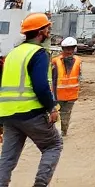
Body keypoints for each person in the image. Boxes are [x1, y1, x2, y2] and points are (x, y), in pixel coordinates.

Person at [0, 13, 63, 187]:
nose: (49, 30)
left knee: (7, 159)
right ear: (41, 31)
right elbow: (41, 85)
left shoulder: (13, 54)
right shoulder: (38, 53)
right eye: (47, 28)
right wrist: (51, 108)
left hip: (7, 114)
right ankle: (40, 184)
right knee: (53, 145)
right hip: (30, 112)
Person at [53, 38, 81, 137]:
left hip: (71, 94)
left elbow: (79, 77)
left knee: (66, 114)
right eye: (67, 49)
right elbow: (52, 79)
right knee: (55, 113)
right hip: (58, 94)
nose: (69, 51)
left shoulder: (78, 61)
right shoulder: (55, 61)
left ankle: (64, 131)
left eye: (71, 49)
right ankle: (56, 132)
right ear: (63, 49)